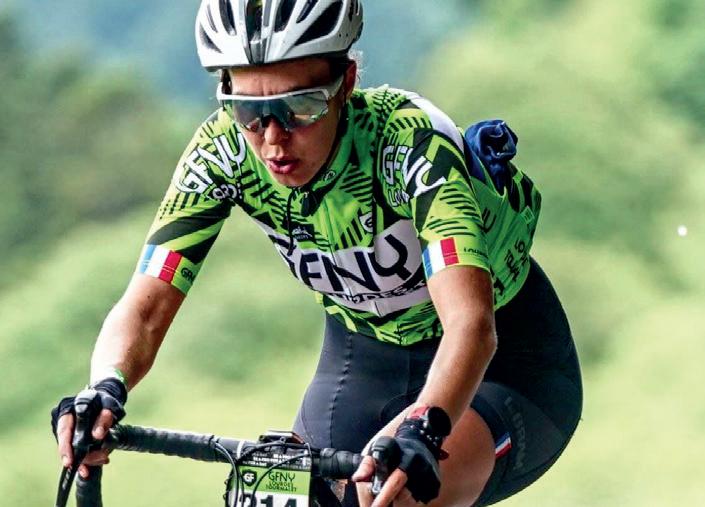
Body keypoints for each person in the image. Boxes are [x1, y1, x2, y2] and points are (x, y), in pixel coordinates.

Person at [51, 1, 583, 505]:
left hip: (502, 365)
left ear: (346, 83)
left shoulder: (408, 146)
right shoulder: (223, 153)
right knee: (276, 494)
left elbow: (471, 324)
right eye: (248, 111)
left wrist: (425, 425)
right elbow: (145, 308)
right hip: (364, 360)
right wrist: (104, 389)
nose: (273, 140)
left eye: (300, 108)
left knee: (387, 496)